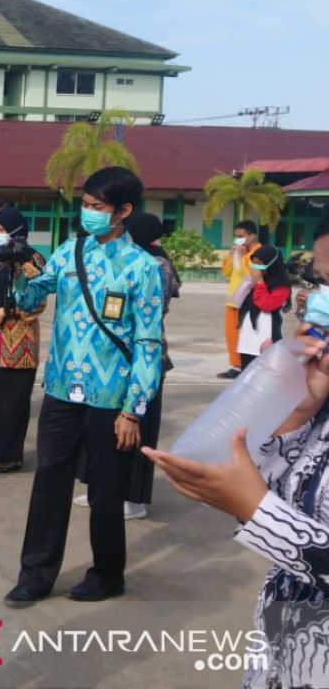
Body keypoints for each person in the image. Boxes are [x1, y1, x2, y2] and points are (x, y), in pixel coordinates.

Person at [143, 209, 329, 689]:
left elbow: (266, 508)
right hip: (281, 656)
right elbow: (281, 487)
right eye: (322, 282)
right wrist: (296, 414)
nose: (321, 302)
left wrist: (255, 510)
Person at [4, 167, 164, 608]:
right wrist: (21, 273)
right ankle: (35, 576)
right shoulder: (70, 251)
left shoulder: (143, 268)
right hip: (60, 391)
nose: (87, 213)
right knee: (48, 486)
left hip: (112, 401)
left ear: (124, 211)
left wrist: (134, 409)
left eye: (97, 207)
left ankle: (107, 573)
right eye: (85, 205)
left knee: (105, 493)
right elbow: (30, 300)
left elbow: (148, 341)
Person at [76, 212, 181, 521]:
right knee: (102, 429)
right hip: (111, 358)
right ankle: (99, 487)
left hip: (143, 360)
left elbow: (143, 312)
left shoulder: (155, 266)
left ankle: (133, 497)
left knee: (138, 430)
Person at [0, 203, 47, 473]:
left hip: (18, 341)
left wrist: (5, 312)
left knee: (13, 401)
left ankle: (9, 455)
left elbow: (37, 302)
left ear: (17, 231)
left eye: (2, 229)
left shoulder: (32, 260)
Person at [237, 244, 291, 371]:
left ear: (271, 264)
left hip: (267, 336)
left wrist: (260, 283)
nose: (256, 267)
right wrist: (251, 281)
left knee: (265, 373)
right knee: (246, 372)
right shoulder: (256, 280)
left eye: (260, 263)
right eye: (254, 263)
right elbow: (238, 299)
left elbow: (268, 305)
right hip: (248, 337)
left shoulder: (282, 285)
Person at [219, 220, 262, 379]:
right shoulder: (236, 251)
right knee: (232, 334)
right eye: (235, 236)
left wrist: (243, 257)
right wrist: (232, 256)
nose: (238, 239)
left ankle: (249, 365)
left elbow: (251, 274)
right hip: (233, 299)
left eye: (241, 236)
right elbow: (226, 272)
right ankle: (236, 365)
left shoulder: (259, 252)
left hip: (250, 300)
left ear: (252, 236)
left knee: (248, 334)